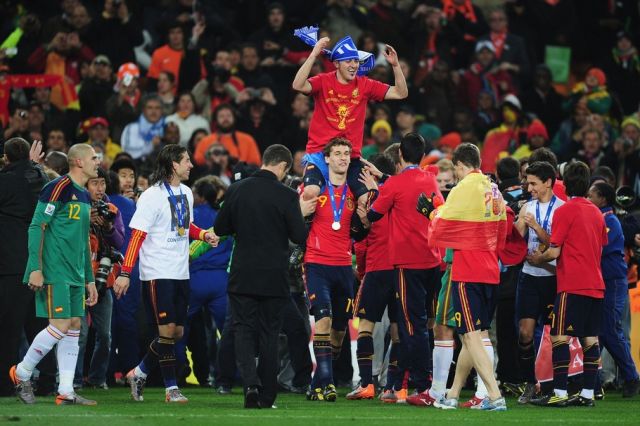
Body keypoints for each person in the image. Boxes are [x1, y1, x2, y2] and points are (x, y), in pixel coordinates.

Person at [112, 145, 218, 403]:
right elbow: (137, 236)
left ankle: (139, 372)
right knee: (166, 331)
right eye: (186, 161)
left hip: (181, 272)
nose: (191, 165)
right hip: (157, 272)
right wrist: (125, 272)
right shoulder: (151, 196)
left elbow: (185, 226)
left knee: (177, 333)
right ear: (173, 165)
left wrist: (203, 234)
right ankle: (171, 389)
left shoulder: (186, 193)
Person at [214, 144, 314, 409]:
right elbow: (299, 236)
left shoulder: (236, 189)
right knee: (270, 333)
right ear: (282, 166)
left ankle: (250, 386)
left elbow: (220, 227)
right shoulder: (287, 195)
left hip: (242, 274)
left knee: (243, 331)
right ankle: (267, 395)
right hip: (274, 277)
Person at [9, 143, 100, 405]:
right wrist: (35, 268)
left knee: (74, 326)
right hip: (55, 270)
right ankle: (22, 372)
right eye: (93, 157)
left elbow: (84, 240)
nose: (98, 161)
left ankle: (66, 391)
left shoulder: (84, 195)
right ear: (79, 161)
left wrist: (89, 279)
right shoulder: (58, 187)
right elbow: (37, 226)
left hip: (76, 273)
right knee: (60, 325)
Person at [425, 143, 508, 411]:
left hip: (468, 271)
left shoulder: (463, 188)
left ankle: (494, 396)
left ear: (460, 165)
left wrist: (432, 211)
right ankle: (453, 394)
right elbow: (503, 229)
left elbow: (442, 224)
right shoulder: (493, 188)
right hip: (490, 270)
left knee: (470, 336)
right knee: (473, 335)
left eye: (457, 170)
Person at [363, 133, 442, 406]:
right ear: (423, 155)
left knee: (411, 325)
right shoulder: (430, 178)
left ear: (399, 155)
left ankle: (421, 383)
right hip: (432, 261)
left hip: (408, 264)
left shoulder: (395, 185)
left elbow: (373, 214)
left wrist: (377, 189)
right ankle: (410, 381)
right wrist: (384, 179)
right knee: (424, 324)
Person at [291, 29, 408, 211]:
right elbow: (297, 84)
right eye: (348, 61)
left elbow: (401, 93)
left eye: (356, 60)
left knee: (366, 201)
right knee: (311, 193)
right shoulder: (323, 81)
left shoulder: (365, 84)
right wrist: (314, 54)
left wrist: (395, 66)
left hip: (350, 157)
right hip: (320, 153)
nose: (354, 65)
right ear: (336, 63)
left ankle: (353, 231)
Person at [527, 161, 607, 407]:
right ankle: (587, 395)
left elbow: (554, 251)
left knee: (559, 337)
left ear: (565, 184)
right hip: (596, 284)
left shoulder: (565, 211)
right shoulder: (596, 212)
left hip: (572, 284)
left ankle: (559, 393)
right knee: (590, 339)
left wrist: (537, 258)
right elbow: (600, 246)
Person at [302, 138, 370, 402]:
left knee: (339, 333)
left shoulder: (355, 192)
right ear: (327, 159)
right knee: (323, 320)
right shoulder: (313, 189)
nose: (343, 158)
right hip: (317, 264)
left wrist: (365, 220)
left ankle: (316, 384)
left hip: (343, 267)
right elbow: (294, 220)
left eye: (346, 154)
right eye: (337, 153)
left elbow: (361, 232)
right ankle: (328, 383)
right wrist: (299, 211)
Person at [349, 154, 405, 402]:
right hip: (401, 268)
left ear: (369, 173)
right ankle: (394, 386)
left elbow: (360, 243)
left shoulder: (369, 198)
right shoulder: (401, 195)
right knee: (398, 329)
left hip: (376, 268)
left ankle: (366, 384)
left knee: (366, 326)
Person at [513, 161, 565, 403]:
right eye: (527, 183)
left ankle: (554, 385)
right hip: (529, 277)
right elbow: (515, 239)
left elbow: (557, 244)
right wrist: (515, 224)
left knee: (555, 335)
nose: (529, 188)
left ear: (548, 182)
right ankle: (529, 383)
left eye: (533, 183)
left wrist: (536, 226)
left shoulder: (561, 209)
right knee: (525, 333)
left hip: (553, 278)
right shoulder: (527, 206)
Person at [0, 138, 48, 397]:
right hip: (39, 262)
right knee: (38, 326)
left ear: (6, 158)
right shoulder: (41, 179)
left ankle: (5, 384)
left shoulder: (5, 182)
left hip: (11, 264)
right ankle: (49, 380)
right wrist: (34, 165)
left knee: (9, 328)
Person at [586, 182, 640, 398]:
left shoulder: (610, 221)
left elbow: (598, 247)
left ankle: (631, 376)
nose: (588, 198)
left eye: (591, 195)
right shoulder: (601, 218)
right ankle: (592, 381)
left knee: (608, 330)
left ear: (602, 199)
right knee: (598, 331)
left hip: (613, 282)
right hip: (603, 281)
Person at [75, 167, 125, 389]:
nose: (99, 188)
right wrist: (86, 220)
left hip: (103, 282)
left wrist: (108, 226)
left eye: (102, 183)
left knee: (105, 336)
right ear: (85, 185)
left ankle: (97, 378)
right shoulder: (76, 207)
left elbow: (119, 242)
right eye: (94, 183)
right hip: (79, 279)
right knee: (80, 334)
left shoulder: (112, 210)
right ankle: (74, 380)